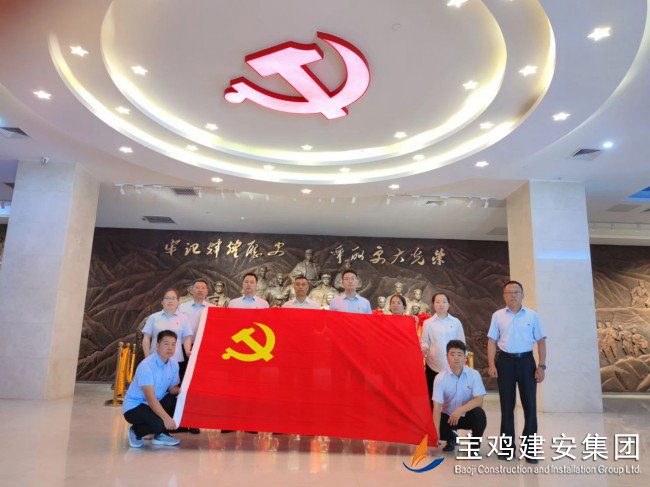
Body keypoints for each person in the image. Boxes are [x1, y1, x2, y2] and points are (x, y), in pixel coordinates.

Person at [487, 281, 547, 464]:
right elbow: (492, 341)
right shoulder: (498, 316)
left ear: (522, 295)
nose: (512, 295)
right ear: (504, 296)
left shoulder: (533, 316)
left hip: (526, 362)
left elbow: (541, 342)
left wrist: (541, 366)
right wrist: (491, 365)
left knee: (530, 407)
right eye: (509, 292)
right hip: (504, 362)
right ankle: (507, 449)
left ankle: (530, 450)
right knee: (507, 407)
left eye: (516, 292)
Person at [123, 330, 182, 448]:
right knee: (159, 423)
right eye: (166, 344)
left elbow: (172, 389)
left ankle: (160, 435)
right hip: (136, 406)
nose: (170, 348)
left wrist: (185, 389)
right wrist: (166, 418)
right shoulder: (147, 366)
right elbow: (150, 398)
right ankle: (135, 431)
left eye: (173, 344)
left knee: (176, 400)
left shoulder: (174, 364)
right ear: (157, 346)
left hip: (155, 403)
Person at [432, 340, 486, 453]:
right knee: (435, 421)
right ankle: (450, 438)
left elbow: (479, 400)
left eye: (459, 354)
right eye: (452, 354)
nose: (456, 358)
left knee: (480, 415)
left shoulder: (474, 375)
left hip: (467, 415)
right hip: (448, 417)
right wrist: (435, 433)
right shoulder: (440, 378)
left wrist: (460, 410)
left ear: (465, 357)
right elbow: (437, 407)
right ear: (447, 357)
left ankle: (474, 446)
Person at [177, 279, 215, 434]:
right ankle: (179, 421)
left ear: (207, 291)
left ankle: (193, 422)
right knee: (181, 382)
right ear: (191, 290)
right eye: (197, 287)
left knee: (196, 385)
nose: (200, 290)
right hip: (183, 348)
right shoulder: (182, 307)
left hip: (203, 350)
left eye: (203, 288)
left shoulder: (213, 309)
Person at [420, 292, 466, 409]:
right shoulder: (428, 323)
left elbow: (462, 343)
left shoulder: (455, 322)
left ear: (448, 304)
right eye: (438, 302)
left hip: (453, 366)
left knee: (452, 399)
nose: (441, 304)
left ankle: (451, 420)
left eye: (444, 302)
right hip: (433, 365)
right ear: (433, 305)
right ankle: (434, 420)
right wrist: (424, 348)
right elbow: (424, 341)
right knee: (433, 399)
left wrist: (462, 362)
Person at [142, 289, 193, 381]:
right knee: (155, 385)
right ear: (162, 302)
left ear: (178, 302)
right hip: (155, 359)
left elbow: (186, 338)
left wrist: (187, 351)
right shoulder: (153, 317)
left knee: (174, 386)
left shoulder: (184, 318)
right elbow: (146, 338)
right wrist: (147, 357)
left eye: (173, 298)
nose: (170, 301)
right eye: (167, 298)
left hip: (176, 359)